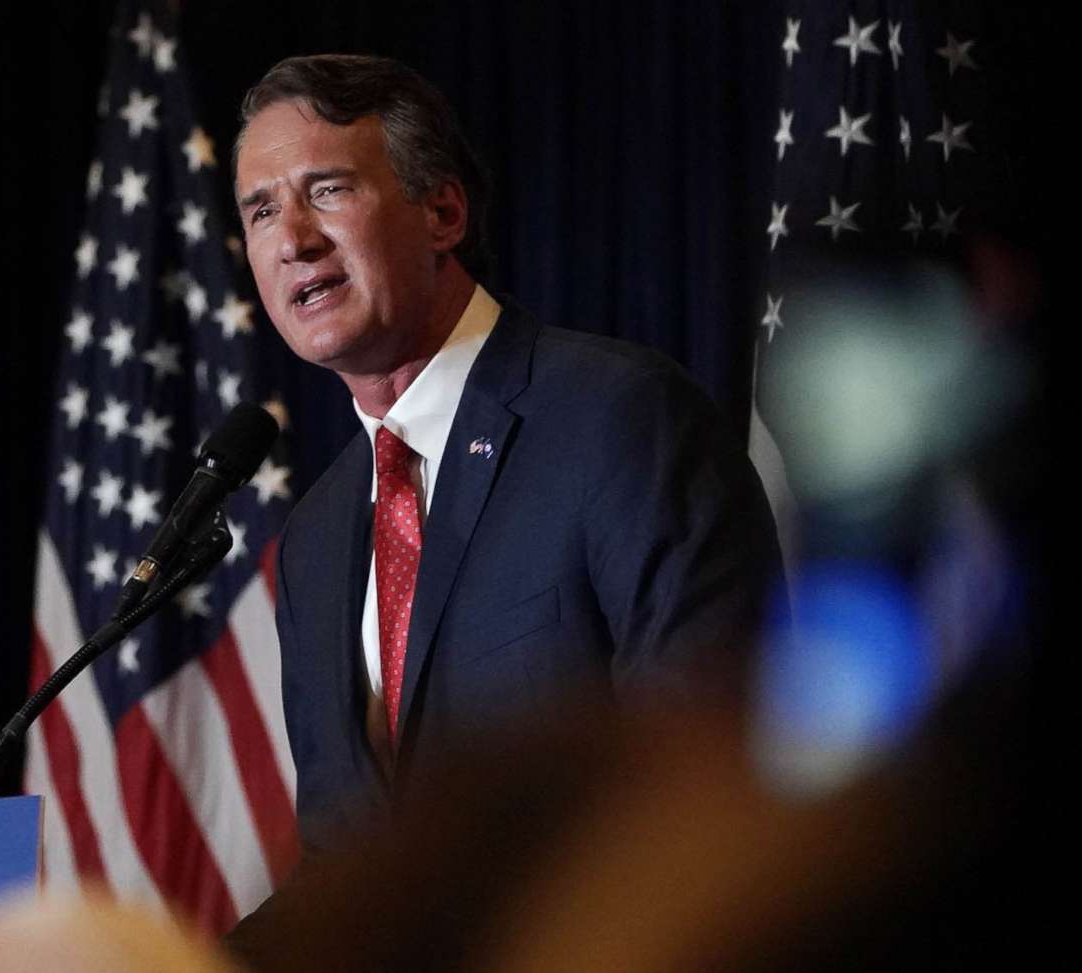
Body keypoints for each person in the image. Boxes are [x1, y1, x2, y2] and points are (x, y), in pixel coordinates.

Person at [234, 55, 784, 851]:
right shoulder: (317, 538)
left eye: (328, 190)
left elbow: (712, 761)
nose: (293, 239)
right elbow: (343, 874)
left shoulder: (615, 418)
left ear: (443, 213)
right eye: (260, 212)